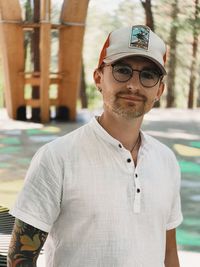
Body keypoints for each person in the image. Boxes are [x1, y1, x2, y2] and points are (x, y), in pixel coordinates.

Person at [8, 25, 183, 267]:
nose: (134, 84)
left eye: (148, 75)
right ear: (99, 78)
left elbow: (168, 254)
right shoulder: (56, 157)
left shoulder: (167, 161)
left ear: (159, 90)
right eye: (122, 70)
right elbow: (21, 258)